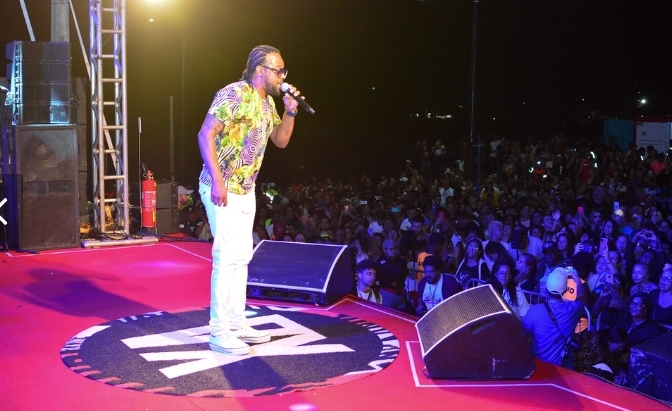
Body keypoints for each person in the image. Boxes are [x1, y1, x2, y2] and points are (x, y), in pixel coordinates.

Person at [197, 45, 302, 355]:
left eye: (283, 71)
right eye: (278, 70)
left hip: (246, 188)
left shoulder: (268, 103)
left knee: (242, 256)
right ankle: (219, 331)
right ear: (260, 70)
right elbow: (205, 135)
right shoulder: (233, 94)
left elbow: (280, 140)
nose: (282, 76)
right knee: (226, 257)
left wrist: (290, 112)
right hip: (222, 186)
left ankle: (237, 322)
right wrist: (218, 181)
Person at [522, 266, 585, 369]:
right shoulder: (573, 309)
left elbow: (526, 336)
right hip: (562, 367)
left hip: (537, 364)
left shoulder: (534, 311)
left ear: (547, 288)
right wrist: (577, 280)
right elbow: (581, 298)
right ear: (565, 290)